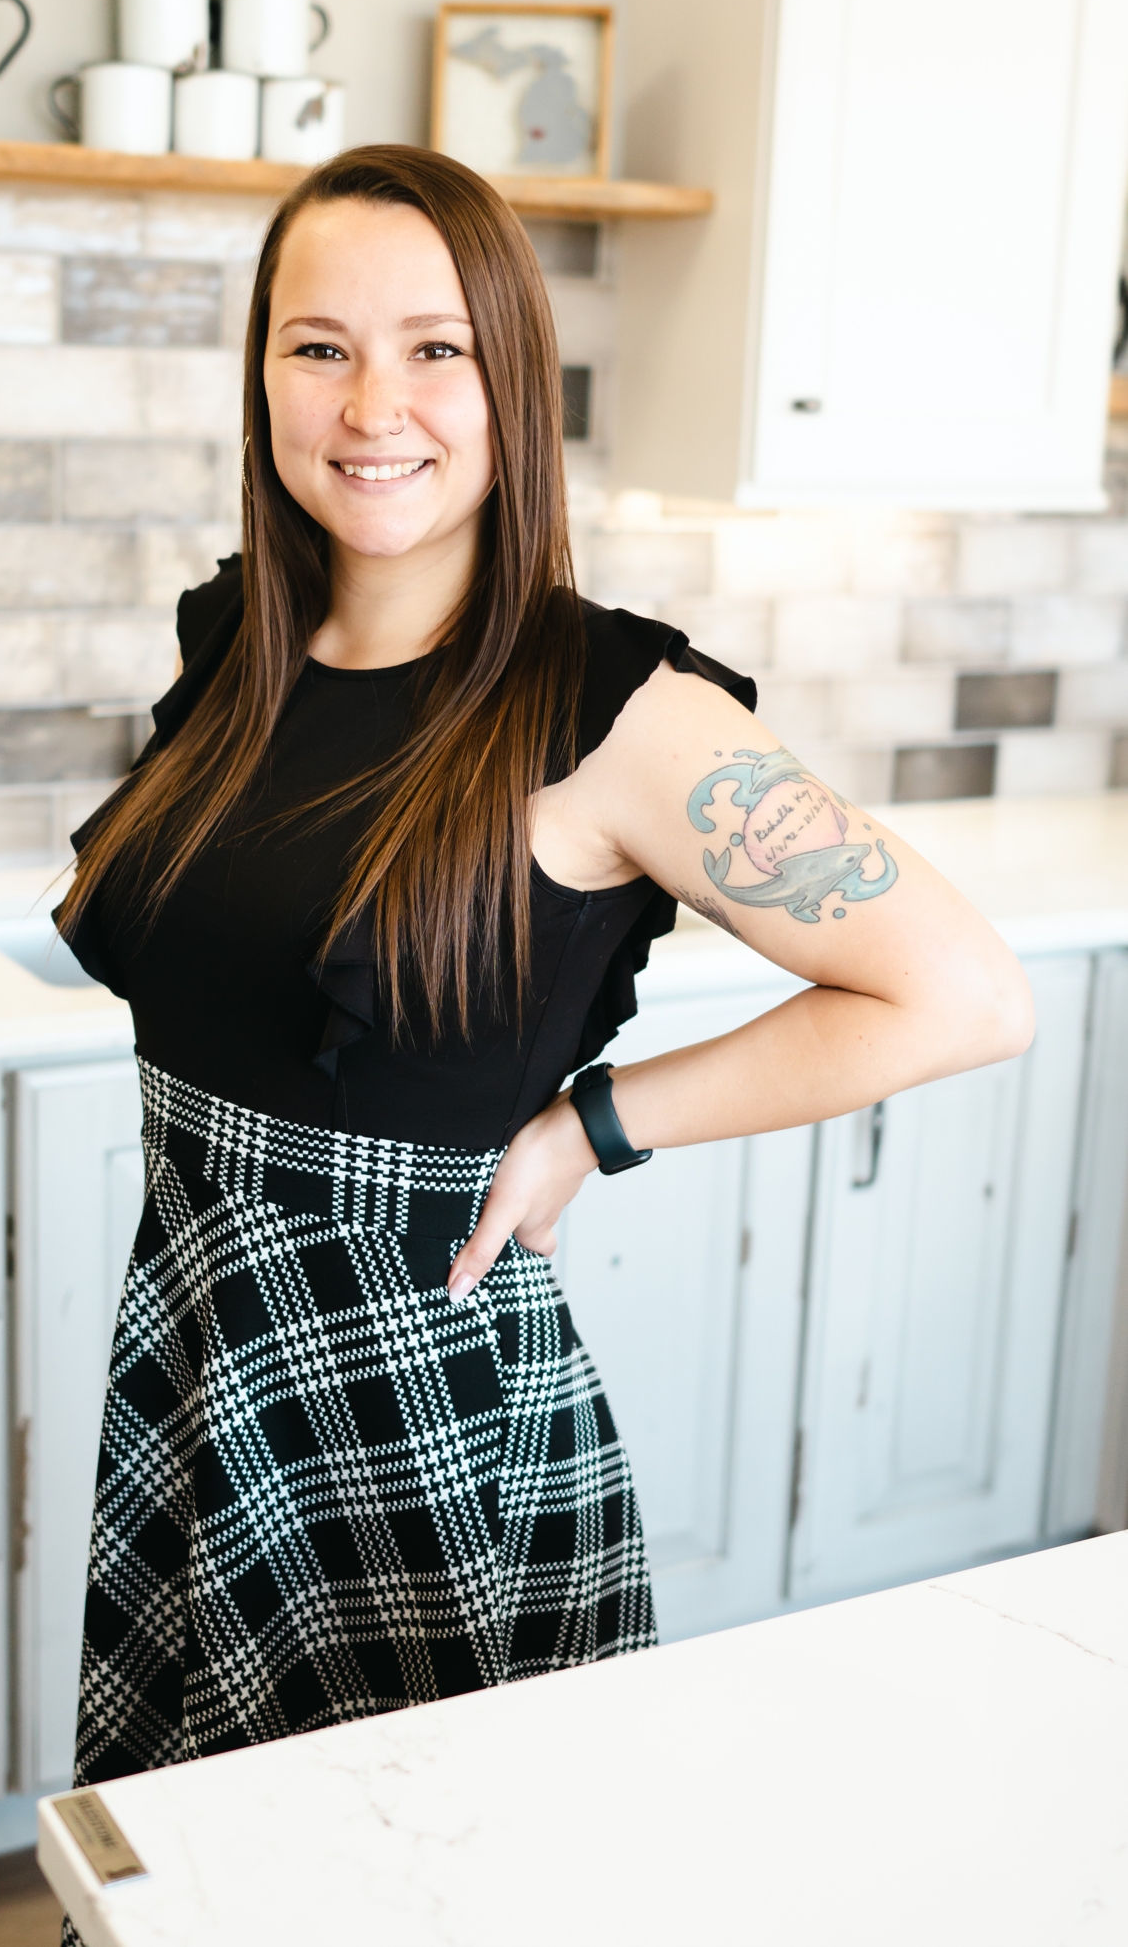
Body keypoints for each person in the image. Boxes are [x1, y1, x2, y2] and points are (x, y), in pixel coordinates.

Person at [54, 144, 1033, 1801]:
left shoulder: (614, 709)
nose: (377, 403)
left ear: (513, 380)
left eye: (437, 348)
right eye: (322, 345)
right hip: (202, 1361)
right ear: (263, 378)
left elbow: (962, 992)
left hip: (417, 1413)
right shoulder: (235, 646)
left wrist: (591, 1127)